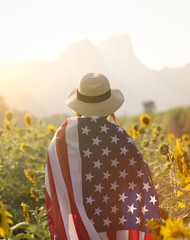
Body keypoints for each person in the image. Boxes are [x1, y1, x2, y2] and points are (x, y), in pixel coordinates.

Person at [45, 73, 160, 240]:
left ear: (79, 105)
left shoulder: (61, 139)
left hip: (78, 231)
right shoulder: (120, 137)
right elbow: (140, 184)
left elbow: (58, 194)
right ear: (110, 106)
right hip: (117, 227)